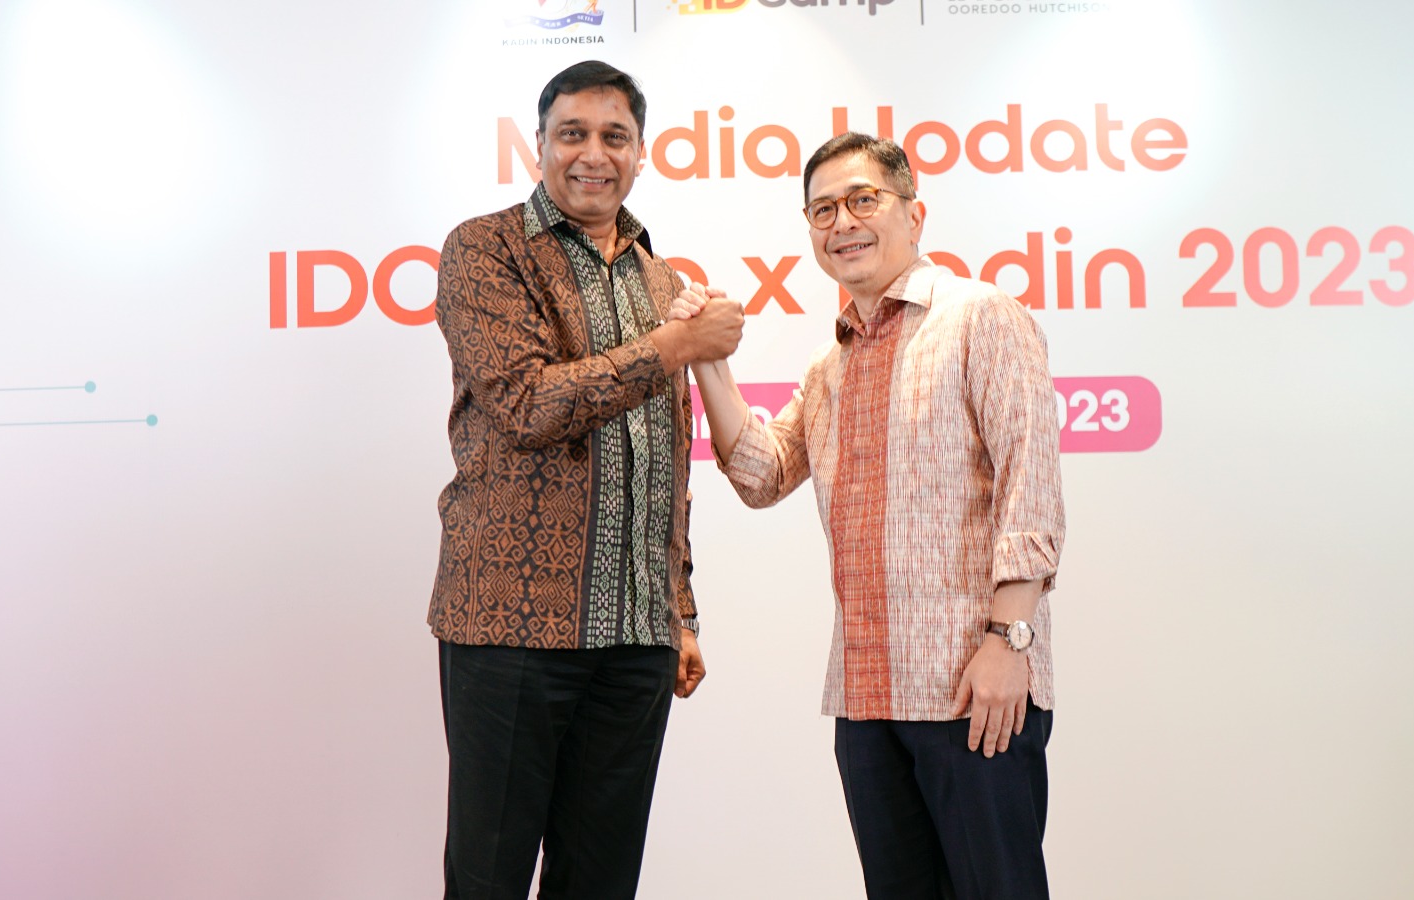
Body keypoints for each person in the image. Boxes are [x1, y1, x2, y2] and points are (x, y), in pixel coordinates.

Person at [675, 132, 1066, 899]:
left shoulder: (981, 316)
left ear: (913, 214)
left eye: (863, 200)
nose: (843, 222)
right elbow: (760, 473)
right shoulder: (831, 366)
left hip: (970, 687)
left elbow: (1032, 487)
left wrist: (1007, 642)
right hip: (863, 696)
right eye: (822, 210)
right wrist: (706, 357)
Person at [428, 60, 745, 900]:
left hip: (637, 638)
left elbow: (668, 458)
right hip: (511, 625)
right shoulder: (484, 249)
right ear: (539, 145)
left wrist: (680, 611)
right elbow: (527, 404)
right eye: (573, 134)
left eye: (615, 136)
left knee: (601, 881)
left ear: (641, 152)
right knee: (488, 878)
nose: (593, 154)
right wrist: (675, 347)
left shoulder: (660, 280)